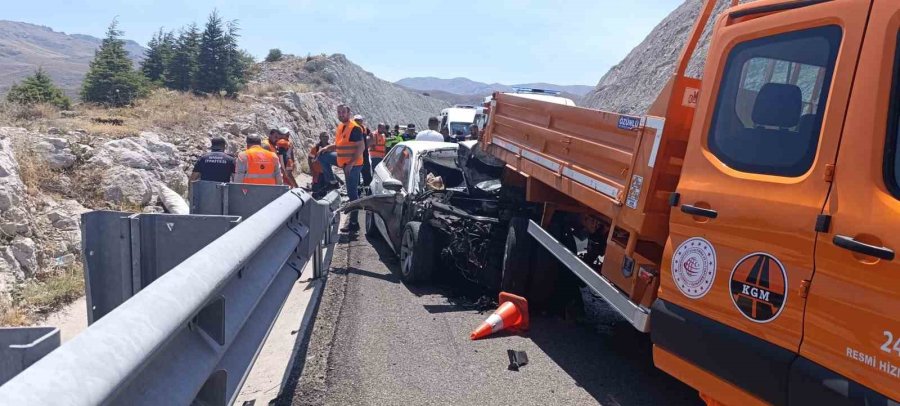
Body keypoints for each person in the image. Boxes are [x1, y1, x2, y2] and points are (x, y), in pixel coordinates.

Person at [316, 104, 365, 232]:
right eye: (339, 112)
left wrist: (350, 164)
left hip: (353, 165)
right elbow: (339, 145)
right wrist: (327, 148)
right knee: (323, 156)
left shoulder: (354, 128)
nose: (341, 114)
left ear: (349, 113)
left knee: (352, 194)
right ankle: (332, 183)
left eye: (343, 112)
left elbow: (361, 147)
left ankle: (354, 223)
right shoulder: (341, 126)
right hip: (342, 161)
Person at [354, 115, 374, 189]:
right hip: (355, 154)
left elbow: (371, 136)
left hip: (364, 154)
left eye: (359, 120)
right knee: (356, 173)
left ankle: (367, 188)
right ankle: (358, 189)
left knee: (366, 172)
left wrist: (369, 144)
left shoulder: (365, 129)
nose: (358, 121)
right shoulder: (352, 129)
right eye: (356, 120)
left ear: (362, 121)